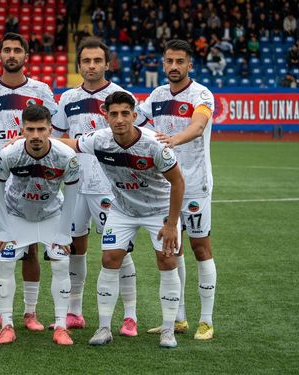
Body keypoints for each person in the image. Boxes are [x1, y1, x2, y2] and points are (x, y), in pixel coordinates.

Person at [60, 91, 184, 348]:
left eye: (125, 113)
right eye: (114, 114)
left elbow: (177, 181)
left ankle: (168, 330)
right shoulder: (100, 140)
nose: (119, 119)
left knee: (167, 259)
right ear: (106, 116)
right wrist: (30, 138)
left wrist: (171, 223)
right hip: (123, 209)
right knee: (109, 258)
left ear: (134, 116)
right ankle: (104, 328)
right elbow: (70, 144)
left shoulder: (154, 145)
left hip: (158, 210)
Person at [53, 37, 139, 335]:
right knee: (75, 246)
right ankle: (75, 311)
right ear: (79, 66)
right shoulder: (67, 99)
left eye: (97, 61)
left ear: (107, 63)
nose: (91, 66)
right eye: (86, 61)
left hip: (110, 186)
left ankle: (130, 316)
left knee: (120, 250)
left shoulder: (120, 95)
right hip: (75, 184)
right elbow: (60, 139)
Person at [0, 33, 59, 330]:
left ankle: (30, 313)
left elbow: (54, 131)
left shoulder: (41, 90)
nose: (12, 54)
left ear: (26, 55)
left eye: (17, 50)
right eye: (7, 50)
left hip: (31, 182)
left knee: (31, 249)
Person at [136, 39, 218, 341]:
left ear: (189, 65)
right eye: (169, 61)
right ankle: (179, 319)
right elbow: (137, 123)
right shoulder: (156, 96)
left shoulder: (202, 94)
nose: (173, 67)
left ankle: (206, 321)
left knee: (200, 248)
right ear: (163, 63)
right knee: (173, 249)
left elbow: (197, 127)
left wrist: (173, 140)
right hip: (164, 187)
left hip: (195, 184)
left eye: (180, 61)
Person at [0, 105, 80, 346]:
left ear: (50, 129)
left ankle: (61, 326)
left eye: (41, 129)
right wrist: (3, 229)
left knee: (61, 265)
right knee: (6, 264)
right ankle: (7, 324)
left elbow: (72, 194)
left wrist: (64, 233)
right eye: (30, 129)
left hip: (51, 215)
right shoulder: (9, 154)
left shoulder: (66, 156)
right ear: (22, 130)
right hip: (16, 215)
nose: (36, 135)